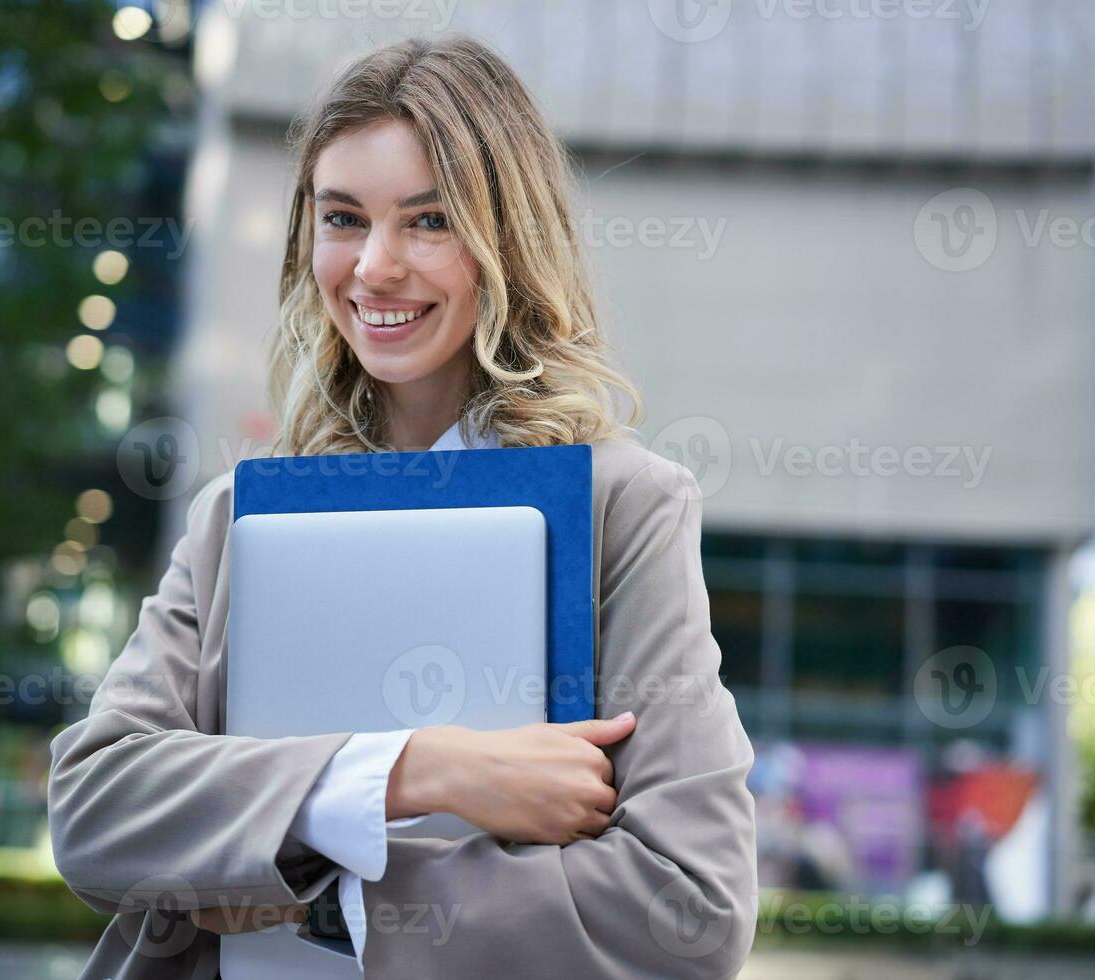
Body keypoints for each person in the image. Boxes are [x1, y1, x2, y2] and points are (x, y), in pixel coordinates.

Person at [47, 33, 757, 979]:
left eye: (429, 221)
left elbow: (690, 911)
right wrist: (416, 771)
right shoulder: (240, 518)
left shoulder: (620, 510)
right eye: (343, 218)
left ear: (507, 239)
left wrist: (317, 887)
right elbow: (96, 806)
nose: (376, 266)